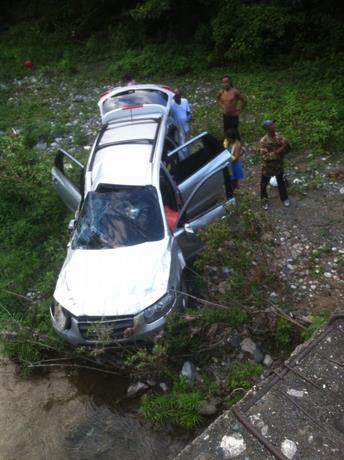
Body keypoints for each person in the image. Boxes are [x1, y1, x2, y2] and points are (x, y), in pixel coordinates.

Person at [259, 120, 290, 209]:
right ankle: (264, 201)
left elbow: (287, 150)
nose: (274, 126)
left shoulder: (279, 136)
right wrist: (281, 148)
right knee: (263, 185)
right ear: (267, 129)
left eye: (273, 124)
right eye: (272, 125)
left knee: (281, 182)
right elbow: (265, 157)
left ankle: (284, 198)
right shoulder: (263, 141)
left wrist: (286, 144)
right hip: (268, 167)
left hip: (279, 165)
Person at [170, 88, 192, 160]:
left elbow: (188, 112)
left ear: (181, 95)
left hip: (185, 127)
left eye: (178, 96)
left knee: (188, 144)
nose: (177, 97)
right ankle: (184, 160)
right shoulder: (171, 104)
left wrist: (188, 118)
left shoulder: (185, 101)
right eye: (175, 96)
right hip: (177, 129)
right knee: (181, 146)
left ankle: (190, 158)